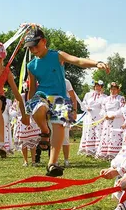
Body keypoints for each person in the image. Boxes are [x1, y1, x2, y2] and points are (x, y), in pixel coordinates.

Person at [24, 26, 110, 176]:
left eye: (35, 46)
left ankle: (52, 164)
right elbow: (31, 89)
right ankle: (44, 131)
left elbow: (77, 61)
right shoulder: (31, 65)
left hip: (60, 98)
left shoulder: (57, 55)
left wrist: (96, 63)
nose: (33, 50)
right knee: (38, 108)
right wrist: (28, 105)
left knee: (59, 129)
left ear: (44, 41)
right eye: (30, 48)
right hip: (42, 94)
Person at [12, 81, 41, 166]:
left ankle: (33, 161)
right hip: (23, 121)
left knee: (33, 142)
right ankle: (25, 161)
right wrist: (20, 116)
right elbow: (16, 108)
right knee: (23, 142)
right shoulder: (21, 96)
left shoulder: (36, 97)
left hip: (33, 121)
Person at [96, 82, 126, 160]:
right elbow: (103, 109)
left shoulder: (120, 98)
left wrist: (115, 115)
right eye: (111, 89)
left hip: (117, 119)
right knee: (108, 135)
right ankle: (106, 152)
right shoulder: (106, 99)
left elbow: (123, 108)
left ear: (118, 90)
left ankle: (116, 153)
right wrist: (105, 115)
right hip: (107, 119)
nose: (113, 91)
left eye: (114, 89)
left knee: (116, 134)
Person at [78, 80, 106, 157]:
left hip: (98, 116)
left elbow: (105, 106)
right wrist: (87, 108)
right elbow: (83, 104)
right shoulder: (88, 95)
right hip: (89, 115)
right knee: (89, 131)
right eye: (96, 86)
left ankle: (98, 150)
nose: (98, 87)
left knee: (98, 132)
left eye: (99, 86)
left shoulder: (104, 97)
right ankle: (89, 150)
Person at [61, 79, 77, 167]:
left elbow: (73, 97)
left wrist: (74, 110)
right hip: (53, 109)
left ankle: (66, 160)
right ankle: (53, 160)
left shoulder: (66, 82)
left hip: (65, 110)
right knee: (53, 137)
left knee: (65, 137)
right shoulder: (50, 78)